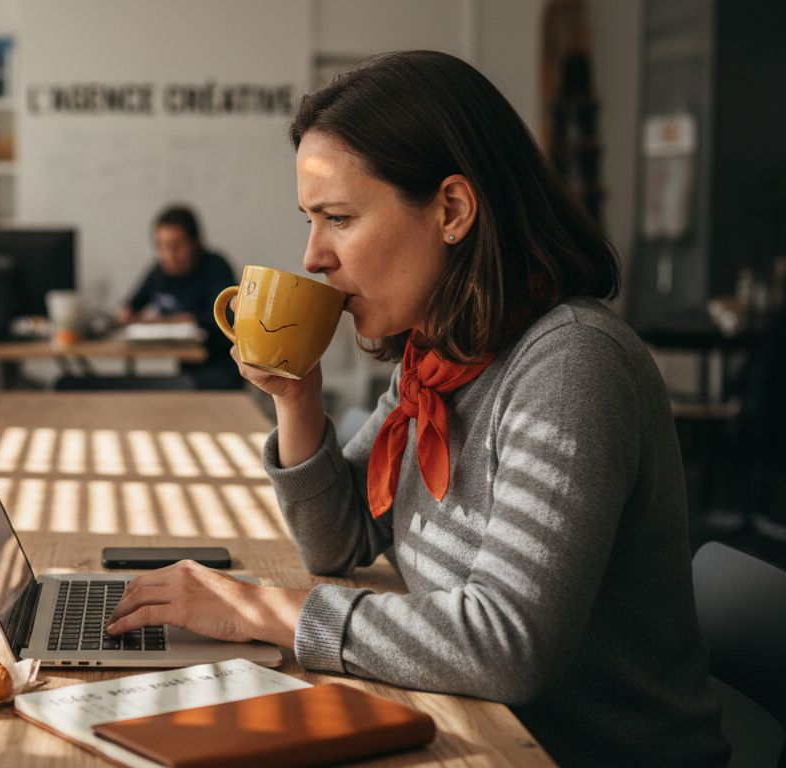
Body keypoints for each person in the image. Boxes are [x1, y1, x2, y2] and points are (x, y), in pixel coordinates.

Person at [107, 51, 730, 766]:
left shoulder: (573, 367)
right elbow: (339, 543)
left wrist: (255, 609)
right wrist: (297, 400)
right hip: (471, 728)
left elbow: (505, 647)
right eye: (310, 220)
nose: (313, 257)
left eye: (337, 218)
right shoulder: (437, 362)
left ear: (453, 211)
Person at [117, 205, 242, 390]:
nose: (169, 255)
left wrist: (164, 321)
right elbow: (131, 305)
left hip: (221, 370)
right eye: (161, 246)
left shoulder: (216, 267)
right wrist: (126, 312)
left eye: (176, 246)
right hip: (186, 370)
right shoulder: (159, 272)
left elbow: (219, 319)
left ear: (195, 242)